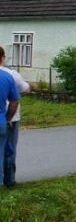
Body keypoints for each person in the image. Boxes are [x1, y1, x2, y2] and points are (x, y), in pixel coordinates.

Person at [1, 47, 26, 188]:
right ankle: (9, 179)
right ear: (3, 57)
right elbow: (24, 88)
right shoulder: (11, 74)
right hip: (10, 118)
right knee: (9, 149)